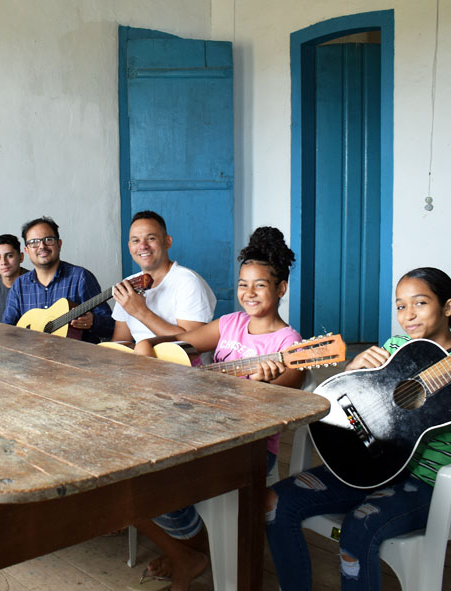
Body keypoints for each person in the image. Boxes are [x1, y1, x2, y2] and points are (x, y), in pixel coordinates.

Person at [265, 267, 451, 591]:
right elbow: (357, 404)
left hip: (427, 485)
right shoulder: (399, 346)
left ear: (447, 307)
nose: (408, 315)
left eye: (420, 303)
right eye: (400, 306)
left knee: (358, 527)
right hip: (372, 466)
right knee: (273, 502)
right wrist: (353, 370)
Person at [132, 226, 308, 591]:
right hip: (201, 431)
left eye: (260, 285)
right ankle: (194, 549)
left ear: (281, 288)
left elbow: (279, 407)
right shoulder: (230, 324)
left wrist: (263, 386)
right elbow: (179, 343)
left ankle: (193, 550)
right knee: (133, 471)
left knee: (159, 483)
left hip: (249, 449)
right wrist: (148, 345)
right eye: (244, 284)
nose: (249, 293)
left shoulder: (291, 346)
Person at [1, 216, 113, 343]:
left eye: (48, 240)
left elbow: (110, 326)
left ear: (59, 244)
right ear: (26, 250)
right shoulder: (20, 285)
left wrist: (93, 321)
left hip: (76, 359)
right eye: (34, 242)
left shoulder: (81, 277)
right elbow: (7, 330)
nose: (42, 246)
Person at [111, 210, 216, 343]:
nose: (143, 246)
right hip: (140, 361)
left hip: (180, 363)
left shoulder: (188, 282)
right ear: (129, 247)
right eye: (136, 241)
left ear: (167, 242)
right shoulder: (128, 285)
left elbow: (193, 345)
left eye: (151, 238)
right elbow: (120, 341)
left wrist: (140, 311)